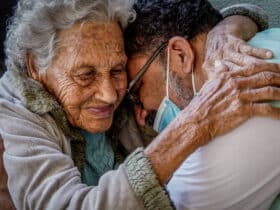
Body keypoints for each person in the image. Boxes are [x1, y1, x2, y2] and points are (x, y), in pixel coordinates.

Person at [0, 0, 279, 209]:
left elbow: (184, 28)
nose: (110, 95)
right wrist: (192, 125)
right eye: (86, 76)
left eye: (118, 71)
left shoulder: (110, 46)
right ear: (35, 66)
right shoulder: (15, 111)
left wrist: (227, 27)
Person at [124, 0, 280, 209]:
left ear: (181, 54)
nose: (140, 117)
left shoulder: (244, 104)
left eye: (137, 91)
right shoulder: (268, 42)